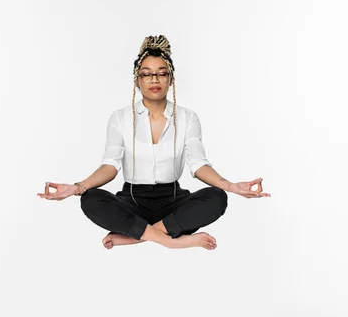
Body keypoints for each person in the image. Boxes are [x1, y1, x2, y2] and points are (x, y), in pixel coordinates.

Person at [37, 35, 271, 250]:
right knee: (90, 199)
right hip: (132, 200)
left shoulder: (188, 118)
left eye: (161, 73)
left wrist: (230, 186)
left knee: (217, 197)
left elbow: (198, 165)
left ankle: (135, 236)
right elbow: (110, 165)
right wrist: (77, 188)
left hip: (173, 200)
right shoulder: (120, 118)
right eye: (146, 74)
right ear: (137, 81)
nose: (154, 79)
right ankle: (173, 241)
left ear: (171, 79)